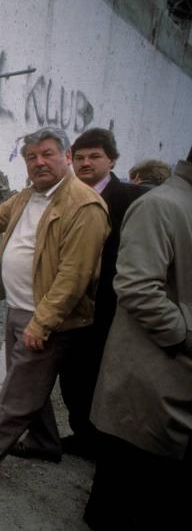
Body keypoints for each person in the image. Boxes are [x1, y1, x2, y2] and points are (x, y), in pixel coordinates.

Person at [0, 126, 109, 483]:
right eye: (32, 157)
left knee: (18, 395)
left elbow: (75, 276)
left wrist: (41, 323)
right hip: (19, 308)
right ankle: (45, 441)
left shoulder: (84, 205)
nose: (39, 162)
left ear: (67, 157)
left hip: (46, 318)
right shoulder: (29, 195)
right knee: (28, 383)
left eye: (47, 154)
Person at [84, 157, 192, 530]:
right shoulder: (161, 205)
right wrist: (185, 334)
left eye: (92, 156)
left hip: (167, 377)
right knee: (126, 494)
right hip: (154, 379)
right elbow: (136, 287)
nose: (85, 163)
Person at [58, 128, 146, 459]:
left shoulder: (132, 199)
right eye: (79, 157)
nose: (85, 163)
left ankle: (101, 441)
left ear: (112, 159)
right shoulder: (66, 195)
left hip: (110, 303)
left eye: (94, 156)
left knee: (100, 374)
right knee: (71, 374)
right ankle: (82, 433)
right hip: (71, 300)